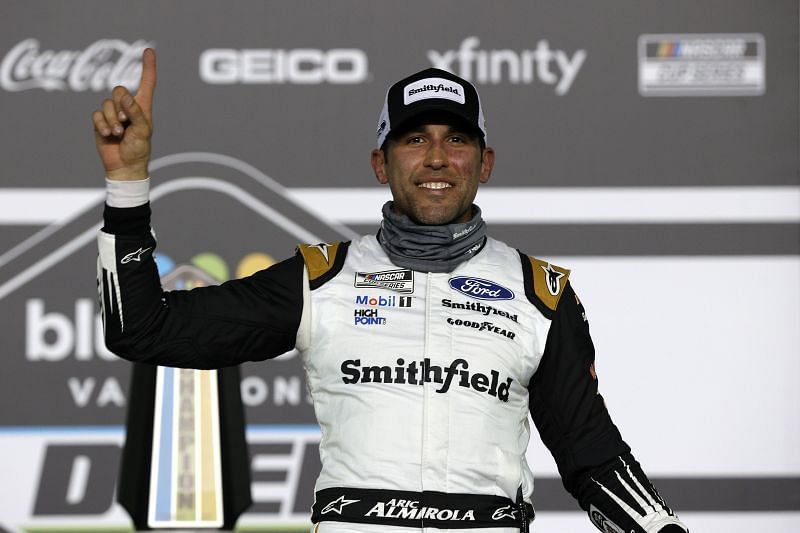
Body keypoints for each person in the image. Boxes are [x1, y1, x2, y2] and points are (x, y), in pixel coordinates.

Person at [92, 48, 689, 533]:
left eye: (456, 140)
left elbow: (595, 461)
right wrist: (125, 182)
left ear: (485, 163)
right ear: (381, 163)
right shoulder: (321, 279)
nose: (436, 157)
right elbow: (141, 327)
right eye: (413, 139)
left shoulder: (539, 294)